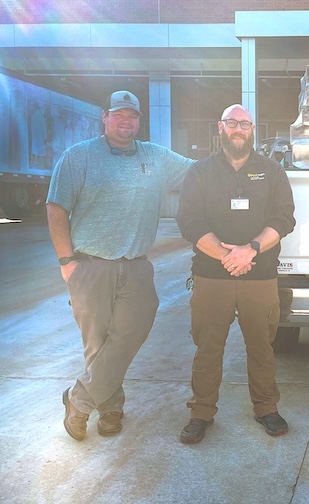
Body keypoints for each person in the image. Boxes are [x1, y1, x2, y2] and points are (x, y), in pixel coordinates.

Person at [47, 90, 194, 441]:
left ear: (140, 121)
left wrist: (241, 160)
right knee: (97, 342)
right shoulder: (78, 157)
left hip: (137, 266)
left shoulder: (156, 158)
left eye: (132, 116)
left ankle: (79, 400)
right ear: (105, 117)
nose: (126, 121)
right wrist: (67, 261)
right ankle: (110, 409)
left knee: (130, 333)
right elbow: (56, 209)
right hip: (90, 265)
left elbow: (198, 173)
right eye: (119, 114)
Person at [176, 104, 295, 443]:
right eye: (232, 123)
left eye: (244, 123)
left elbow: (284, 218)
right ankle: (201, 413)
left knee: (261, 347)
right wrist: (228, 256)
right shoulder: (199, 171)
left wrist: (250, 250)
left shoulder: (272, 171)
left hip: (260, 276)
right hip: (212, 278)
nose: (238, 129)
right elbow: (189, 221)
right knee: (208, 348)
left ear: (252, 129)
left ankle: (266, 408)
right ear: (221, 128)